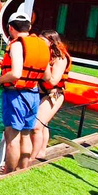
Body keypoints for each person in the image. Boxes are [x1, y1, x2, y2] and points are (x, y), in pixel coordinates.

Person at [0, 12, 51, 172]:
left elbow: (15, 74)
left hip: (16, 95)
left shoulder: (17, 45)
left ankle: (7, 173)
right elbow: (47, 76)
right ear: (30, 27)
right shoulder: (42, 45)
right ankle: (22, 169)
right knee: (26, 134)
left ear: (11, 28)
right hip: (33, 94)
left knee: (12, 136)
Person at [31, 30, 71, 161]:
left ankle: (33, 157)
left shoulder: (60, 58)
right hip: (40, 92)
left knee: (37, 125)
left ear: (52, 42)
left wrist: (44, 64)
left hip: (54, 94)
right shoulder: (43, 54)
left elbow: (54, 80)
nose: (40, 44)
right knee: (43, 123)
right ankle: (41, 151)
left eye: (43, 41)